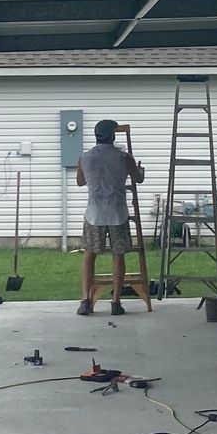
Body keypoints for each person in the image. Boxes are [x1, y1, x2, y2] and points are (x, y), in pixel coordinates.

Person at [74, 118, 144, 316]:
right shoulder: (124, 157)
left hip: (94, 213)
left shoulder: (85, 157)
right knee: (118, 257)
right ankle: (116, 302)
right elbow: (137, 178)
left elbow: (80, 181)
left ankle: (86, 300)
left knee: (89, 257)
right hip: (117, 212)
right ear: (112, 136)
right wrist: (139, 170)